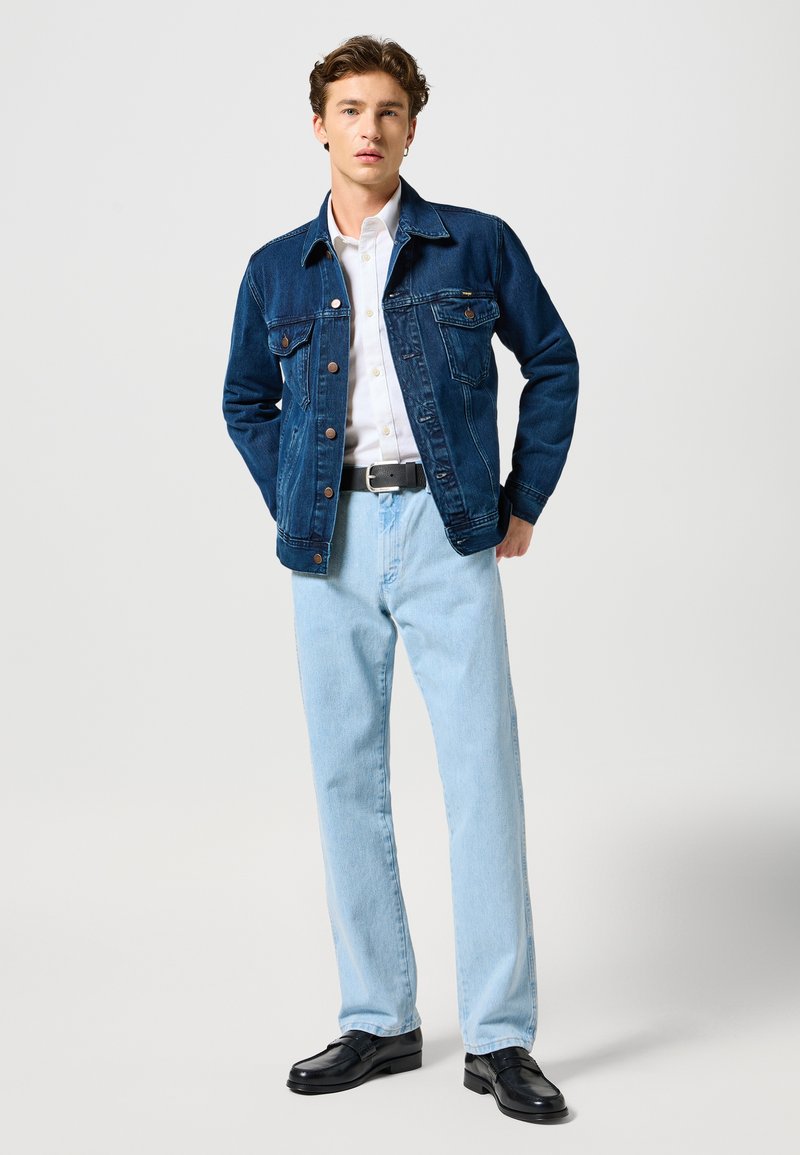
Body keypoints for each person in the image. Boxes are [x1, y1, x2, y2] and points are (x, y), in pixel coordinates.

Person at [222, 34, 579, 1125]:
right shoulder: (274, 268)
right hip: (326, 539)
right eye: (348, 109)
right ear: (318, 126)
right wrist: (296, 497)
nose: (367, 128)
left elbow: (552, 359)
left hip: (445, 524)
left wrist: (522, 497)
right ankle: (378, 1017)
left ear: (411, 128)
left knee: (480, 774)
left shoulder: (475, 243)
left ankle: (500, 1036)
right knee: (345, 777)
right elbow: (245, 400)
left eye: (386, 110)